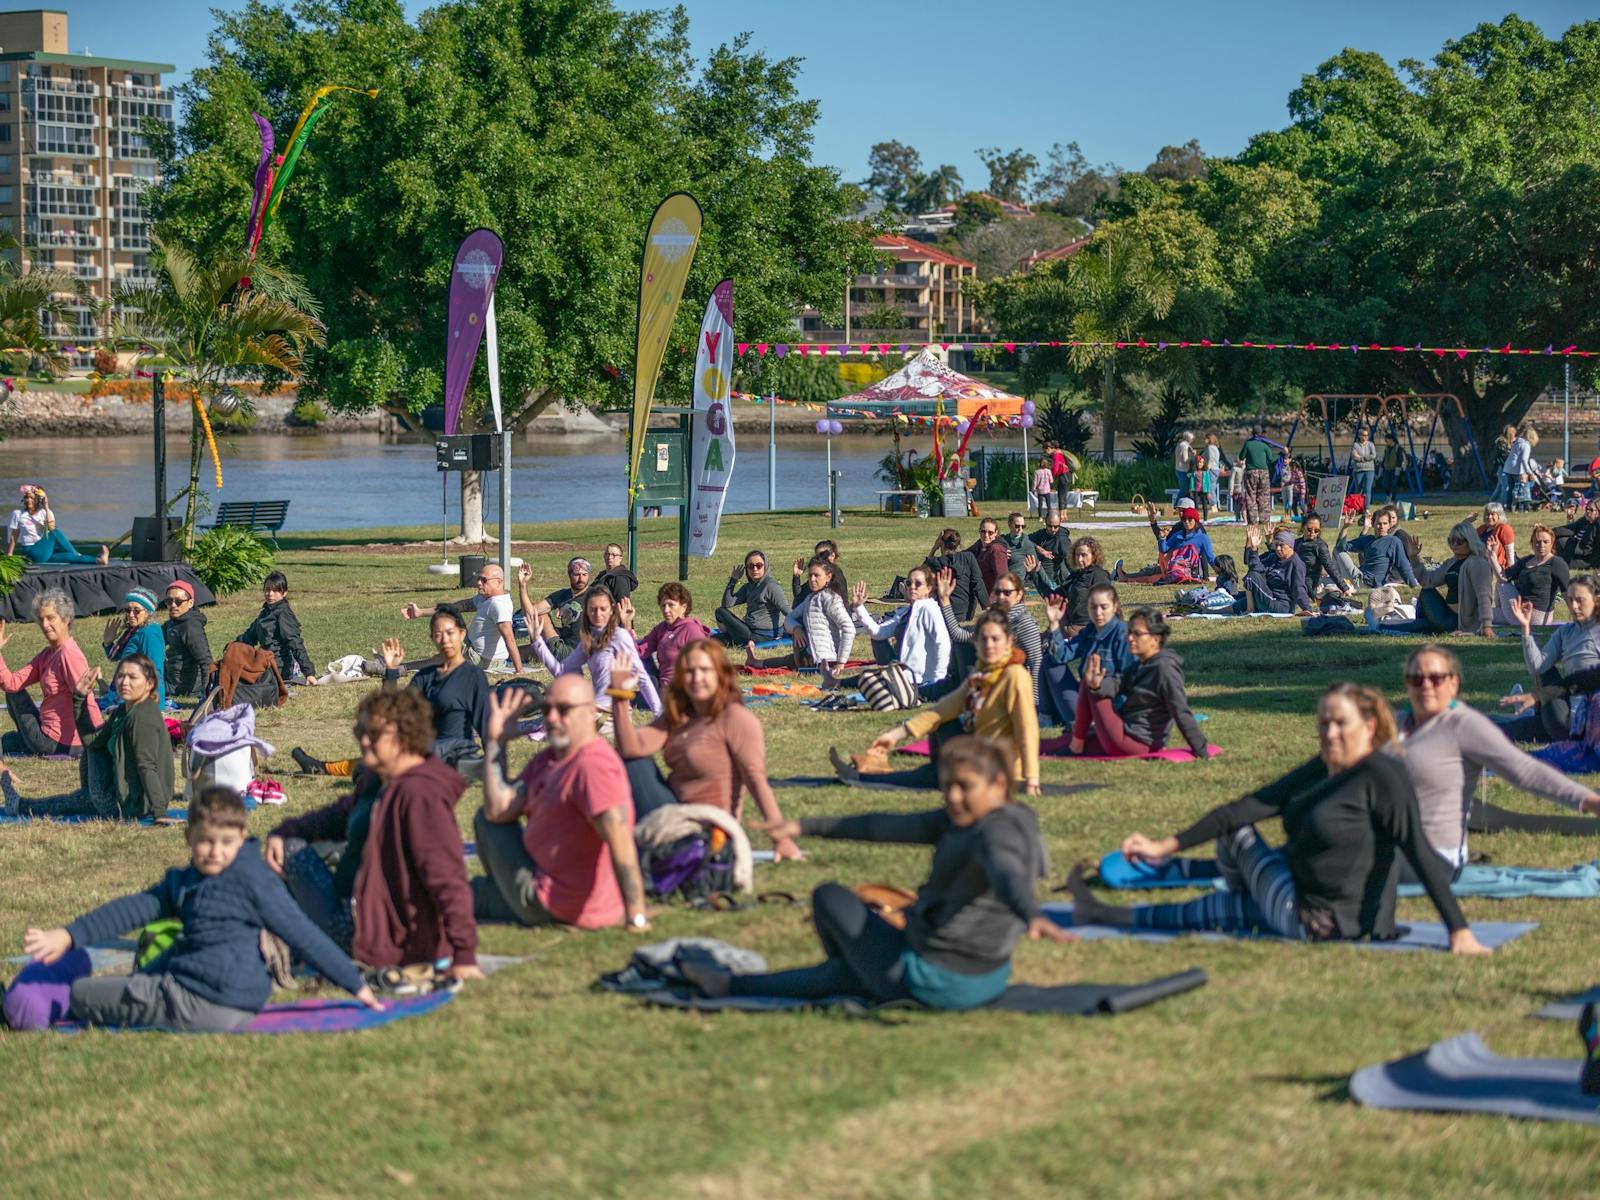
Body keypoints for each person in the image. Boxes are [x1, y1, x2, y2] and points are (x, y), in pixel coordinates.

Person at [1063, 683, 1490, 954]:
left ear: (1369, 725)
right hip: (1298, 899)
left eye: (1340, 724)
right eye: (1323, 724)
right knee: (1214, 906)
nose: (1330, 734)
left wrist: (1459, 931)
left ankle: (1234, 897)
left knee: (1238, 841)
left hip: (1320, 920)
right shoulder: (1325, 765)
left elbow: (1417, 848)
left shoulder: (1383, 775)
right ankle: (1108, 916)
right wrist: (1164, 846)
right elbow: (1250, 804)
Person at [679, 737, 1072, 1009]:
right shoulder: (990, 818)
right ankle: (855, 974)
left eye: (964, 787)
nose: (952, 797)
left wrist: (1032, 913)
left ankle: (743, 983)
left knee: (830, 897)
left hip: (937, 980)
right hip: (987, 979)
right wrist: (806, 826)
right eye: (948, 786)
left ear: (999, 784)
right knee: (850, 955)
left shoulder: (995, 832)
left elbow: (1007, 872)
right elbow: (881, 826)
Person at [21, 787, 379, 1033]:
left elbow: (303, 936)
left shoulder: (254, 881)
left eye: (226, 843)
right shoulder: (189, 880)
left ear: (241, 838)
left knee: (83, 994)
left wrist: (355, 984)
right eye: (206, 841)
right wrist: (70, 934)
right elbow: (133, 910)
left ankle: (25, 1006)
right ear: (188, 837)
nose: (215, 852)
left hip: (201, 1004)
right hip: (236, 996)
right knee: (160, 962)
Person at [266, 688, 481, 980]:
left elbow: (448, 879)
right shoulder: (378, 781)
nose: (364, 740)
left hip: (372, 935)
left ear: (406, 735)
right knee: (284, 847)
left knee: (287, 856)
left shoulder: (420, 795)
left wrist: (464, 955)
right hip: (359, 914)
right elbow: (333, 817)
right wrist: (283, 831)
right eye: (361, 731)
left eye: (375, 733)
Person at [1395, 645, 1599, 871]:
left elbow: (1525, 771)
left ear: (1453, 683)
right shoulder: (1394, 724)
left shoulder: (1465, 725)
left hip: (1425, 855)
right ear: (1406, 683)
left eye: (1436, 678)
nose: (1426, 686)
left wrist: (1588, 800)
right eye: (1416, 679)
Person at [471, 675, 650, 932]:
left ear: (591, 713)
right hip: (545, 881)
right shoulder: (549, 759)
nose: (552, 718)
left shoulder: (593, 766)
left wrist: (636, 914)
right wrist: (496, 742)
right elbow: (498, 811)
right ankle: (499, 890)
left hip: (555, 902)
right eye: (547, 709)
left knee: (459, 896)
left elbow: (619, 836)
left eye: (564, 710)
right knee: (486, 820)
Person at [610, 640, 804, 861]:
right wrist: (619, 696)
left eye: (704, 670)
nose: (696, 678)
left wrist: (782, 839)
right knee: (628, 761)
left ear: (720, 674)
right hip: (674, 815)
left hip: (709, 830)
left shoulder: (736, 718)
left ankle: (643, 847)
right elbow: (629, 749)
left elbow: (755, 780)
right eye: (689, 671)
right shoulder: (679, 716)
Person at [840, 609, 1039, 795]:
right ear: (976, 643)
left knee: (923, 773)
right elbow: (942, 709)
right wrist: (894, 736)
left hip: (1001, 769)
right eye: (984, 639)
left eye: (995, 639)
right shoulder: (982, 674)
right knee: (943, 722)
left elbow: (1026, 727)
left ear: (1009, 642)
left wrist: (1031, 778)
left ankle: (910, 776)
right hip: (980, 757)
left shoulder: (1014, 675)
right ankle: (934, 773)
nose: (989, 645)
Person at [291, 608, 490, 776]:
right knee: (388, 757)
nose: (444, 640)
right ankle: (324, 768)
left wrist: (493, 764)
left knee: (398, 760)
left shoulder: (473, 676)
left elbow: (485, 724)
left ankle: (327, 768)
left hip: (457, 755)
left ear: (462, 634)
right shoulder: (425, 677)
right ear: (432, 638)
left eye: (450, 633)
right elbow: (391, 711)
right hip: (423, 752)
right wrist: (391, 670)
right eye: (438, 634)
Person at [0, 655, 173, 822]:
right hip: (121, 794)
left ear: (149, 684)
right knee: (77, 790)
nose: (124, 682)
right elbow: (91, 740)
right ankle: (26, 804)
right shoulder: (124, 711)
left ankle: (21, 805)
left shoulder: (143, 718)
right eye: (120, 676)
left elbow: (147, 765)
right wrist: (79, 698)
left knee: (73, 798)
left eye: (132, 677)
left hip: (126, 806)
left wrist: (159, 813)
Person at [1053, 607, 1208, 759]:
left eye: (1137, 634)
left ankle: (1076, 746)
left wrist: (1201, 750)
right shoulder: (1141, 662)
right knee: (1078, 737)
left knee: (1088, 685)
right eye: (1130, 632)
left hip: (1135, 740)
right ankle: (1078, 741)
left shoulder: (1164, 669)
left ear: (1156, 639)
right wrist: (1099, 684)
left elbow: (1180, 710)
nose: (1130, 638)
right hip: (1129, 734)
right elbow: (1116, 684)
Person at [0, 589, 100, 757]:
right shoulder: (48, 654)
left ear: (66, 619)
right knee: (6, 739)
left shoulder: (69, 654)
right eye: (41, 619)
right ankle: (24, 740)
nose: (45, 624)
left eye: (50, 618)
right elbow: (11, 683)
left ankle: (26, 741)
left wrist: (98, 737)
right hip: (45, 730)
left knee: (13, 701)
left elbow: (86, 698)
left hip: (58, 743)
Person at [1497, 578, 1600, 743]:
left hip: (1582, 725)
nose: (1573, 606)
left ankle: (1530, 712)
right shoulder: (1566, 632)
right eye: (1570, 600)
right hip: (1563, 717)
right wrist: (1525, 629)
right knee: (1497, 727)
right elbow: (1537, 667)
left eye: (1580, 600)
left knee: (1519, 727)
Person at [531, 586, 661, 715]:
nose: (598, 614)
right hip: (595, 709)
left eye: (603, 609)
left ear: (612, 610)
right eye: (593, 610)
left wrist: (659, 714)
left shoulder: (619, 636)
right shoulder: (590, 639)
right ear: (586, 612)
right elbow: (561, 671)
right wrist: (538, 642)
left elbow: (642, 677)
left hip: (613, 713)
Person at [936, 568, 1041, 706]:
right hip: (990, 677)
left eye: (1007, 593)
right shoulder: (998, 618)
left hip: (1009, 684)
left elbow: (1036, 662)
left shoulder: (1023, 623)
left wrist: (1034, 701)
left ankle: (957, 690)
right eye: (998, 592)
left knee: (965, 646)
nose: (1001, 597)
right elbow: (958, 635)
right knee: (965, 640)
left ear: (1019, 594)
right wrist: (944, 600)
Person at [1385, 520, 1497, 637]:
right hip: (1446, 614)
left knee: (1420, 622)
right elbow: (1428, 581)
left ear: (1470, 541)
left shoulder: (1478, 563)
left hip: (1458, 621)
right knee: (1426, 594)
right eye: (1451, 541)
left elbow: (1484, 595)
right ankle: (1380, 627)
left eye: (1459, 541)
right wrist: (1414, 559)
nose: (1454, 545)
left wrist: (1486, 625)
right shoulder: (1452, 562)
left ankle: (1382, 627)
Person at [850, 570, 951, 698]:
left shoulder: (929, 609)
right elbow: (878, 633)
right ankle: (836, 681)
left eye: (918, 584)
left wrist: (938, 680)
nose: (912, 587)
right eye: (909, 583)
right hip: (903, 669)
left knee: (870, 681)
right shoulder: (909, 610)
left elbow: (943, 644)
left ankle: (837, 682)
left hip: (921, 679)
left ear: (929, 588)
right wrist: (859, 607)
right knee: (870, 679)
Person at [1042, 583, 1130, 726]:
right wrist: (1054, 624)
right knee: (1049, 661)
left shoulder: (1123, 635)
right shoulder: (1090, 631)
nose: (1098, 612)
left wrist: (1100, 687)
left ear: (1114, 607)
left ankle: (1069, 720)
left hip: (1108, 706)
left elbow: (1130, 681)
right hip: (1086, 699)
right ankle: (1046, 719)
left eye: (1104, 607)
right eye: (1093, 607)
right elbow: (1060, 656)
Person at [785, 558, 856, 689]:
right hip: (812, 659)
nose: (812, 579)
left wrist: (841, 662)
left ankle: (758, 662)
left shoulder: (830, 598)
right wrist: (796, 628)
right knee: (785, 660)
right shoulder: (810, 598)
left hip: (828, 660)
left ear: (828, 577)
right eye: (810, 575)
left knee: (786, 661)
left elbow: (849, 628)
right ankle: (756, 662)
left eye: (816, 575)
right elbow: (789, 618)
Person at [237, 571, 319, 684]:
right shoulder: (266, 612)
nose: (270, 594)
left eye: (275, 591)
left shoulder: (283, 614)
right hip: (264, 661)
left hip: (278, 667)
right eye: (267, 590)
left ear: (284, 593)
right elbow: (250, 635)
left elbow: (294, 642)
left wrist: (309, 673)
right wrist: (234, 647)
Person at [1027, 536, 1112, 637]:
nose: (1080, 559)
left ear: (1094, 556)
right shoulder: (1075, 576)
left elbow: (1106, 607)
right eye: (1077, 555)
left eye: (1084, 555)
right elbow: (1053, 598)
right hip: (1065, 628)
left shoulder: (1099, 575)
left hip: (1085, 632)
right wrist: (1035, 573)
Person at [716, 549, 790, 664]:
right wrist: (733, 580)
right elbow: (727, 603)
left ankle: (733, 636)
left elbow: (786, 609)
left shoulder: (771, 586)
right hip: (749, 630)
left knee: (720, 612)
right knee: (714, 639)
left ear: (765, 566)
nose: (754, 569)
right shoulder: (749, 586)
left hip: (764, 635)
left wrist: (800, 627)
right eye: (750, 566)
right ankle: (732, 635)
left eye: (758, 565)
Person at [5, 483, 107, 566]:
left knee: (67, 556)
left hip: (43, 552)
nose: (28, 500)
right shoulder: (17, 514)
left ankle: (99, 561)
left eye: (31, 498)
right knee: (54, 533)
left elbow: (51, 526)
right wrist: (9, 555)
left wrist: (46, 505)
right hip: (30, 551)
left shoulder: (45, 512)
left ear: (37, 499)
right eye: (27, 497)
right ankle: (77, 553)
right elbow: (14, 536)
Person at [512, 557, 593, 659]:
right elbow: (529, 613)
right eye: (577, 574)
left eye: (584, 574)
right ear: (569, 575)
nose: (581, 578)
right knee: (510, 653)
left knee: (541, 616)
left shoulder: (595, 595)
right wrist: (522, 585)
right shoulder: (563, 594)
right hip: (562, 644)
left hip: (574, 653)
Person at [636, 582, 711, 687]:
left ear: (684, 607)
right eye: (663, 605)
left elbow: (706, 664)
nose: (666, 610)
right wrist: (626, 624)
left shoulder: (691, 629)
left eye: (671, 605)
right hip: (661, 687)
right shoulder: (661, 628)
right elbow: (638, 652)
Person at [1116, 504, 1215, 584]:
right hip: (1172, 567)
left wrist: (1222, 572)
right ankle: (1125, 578)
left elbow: (1210, 558)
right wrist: (1162, 537)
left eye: (1190, 519)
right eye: (1184, 519)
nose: (1187, 522)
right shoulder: (1178, 534)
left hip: (1187, 571)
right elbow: (1163, 549)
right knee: (1151, 572)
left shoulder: (1202, 537)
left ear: (1196, 520)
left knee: (1152, 575)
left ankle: (1124, 577)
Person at [101, 588, 166, 709]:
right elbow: (115, 656)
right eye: (128, 610)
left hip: (139, 698)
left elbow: (156, 670)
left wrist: (154, 705)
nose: (131, 615)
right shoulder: (134, 630)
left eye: (136, 611)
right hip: (125, 693)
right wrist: (107, 642)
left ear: (148, 612)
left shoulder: (149, 633)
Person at [1334, 504, 1419, 588]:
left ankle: (1341, 582)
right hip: (1359, 577)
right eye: (1379, 523)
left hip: (1369, 583)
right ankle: (1341, 582)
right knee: (1337, 550)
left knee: (1337, 551)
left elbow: (1403, 565)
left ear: (1389, 525)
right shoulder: (1367, 539)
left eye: (1385, 523)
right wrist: (1346, 526)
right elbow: (1340, 546)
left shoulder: (1393, 541)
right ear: (1373, 524)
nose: (1381, 527)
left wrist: (1413, 585)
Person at [1503, 524, 1569, 625]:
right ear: (1532, 544)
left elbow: (1567, 592)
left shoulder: (1556, 563)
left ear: (1552, 544)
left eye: (1545, 542)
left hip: (1538, 617)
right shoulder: (1528, 560)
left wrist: (1579, 621)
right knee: (1487, 615)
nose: (1541, 545)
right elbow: (1504, 576)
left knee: (1501, 585)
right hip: (1521, 610)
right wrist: (1492, 556)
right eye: (1538, 542)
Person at [161, 580, 212, 701]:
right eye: (169, 601)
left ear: (190, 603)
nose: (173, 605)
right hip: (170, 679)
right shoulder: (173, 623)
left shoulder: (190, 627)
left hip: (182, 688)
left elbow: (207, 662)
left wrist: (206, 693)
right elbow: (152, 641)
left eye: (178, 602)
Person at [1242, 529, 1313, 615]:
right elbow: (1255, 567)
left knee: (1251, 576)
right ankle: (1246, 608)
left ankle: (1250, 610)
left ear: (1290, 546)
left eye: (1281, 545)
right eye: (1276, 545)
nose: (1278, 549)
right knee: (1238, 605)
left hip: (1281, 605)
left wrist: (1307, 609)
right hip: (1269, 597)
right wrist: (1253, 548)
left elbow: (1298, 588)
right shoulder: (1274, 557)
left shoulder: (1296, 564)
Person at [923, 528, 988, 621]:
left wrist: (934, 548)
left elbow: (919, 574)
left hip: (943, 611)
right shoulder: (968, 557)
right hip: (966, 612)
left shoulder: (934, 562)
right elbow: (977, 582)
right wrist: (987, 606)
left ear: (941, 543)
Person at [1296, 515, 1353, 597]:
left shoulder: (1320, 546)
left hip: (1308, 584)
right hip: (1294, 578)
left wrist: (1344, 587)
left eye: (1316, 531)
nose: (1312, 533)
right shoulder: (1296, 543)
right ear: (1303, 527)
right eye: (1309, 530)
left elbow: (1330, 567)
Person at [1238, 424, 1276, 527]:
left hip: (1251, 472)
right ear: (1261, 434)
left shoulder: (1248, 444)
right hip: (1263, 472)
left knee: (1251, 496)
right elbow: (1270, 459)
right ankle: (1264, 519)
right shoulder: (1264, 445)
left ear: (1252, 433)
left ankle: (1253, 520)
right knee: (1263, 496)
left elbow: (1241, 456)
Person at [1026, 509, 1073, 590]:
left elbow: (1070, 558)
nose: (1053, 529)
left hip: (1049, 577)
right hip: (1035, 570)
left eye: (1056, 526)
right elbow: (1025, 539)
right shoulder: (1041, 533)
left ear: (1060, 523)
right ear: (1045, 522)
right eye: (1049, 526)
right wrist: (1039, 548)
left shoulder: (1062, 539)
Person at [790, 540, 848, 604]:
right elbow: (799, 597)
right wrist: (796, 577)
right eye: (817, 557)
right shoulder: (818, 574)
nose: (820, 559)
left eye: (823, 556)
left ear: (833, 556)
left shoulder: (836, 576)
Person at [965, 518, 1011, 596]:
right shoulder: (979, 544)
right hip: (983, 594)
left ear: (996, 533)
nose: (986, 535)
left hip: (995, 597)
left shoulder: (996, 550)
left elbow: (1002, 577)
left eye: (990, 532)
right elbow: (964, 555)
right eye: (983, 531)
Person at [1555, 499, 1600, 568]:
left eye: (1591, 510)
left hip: (1587, 559)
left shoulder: (1598, 524)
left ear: (1598, 512)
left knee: (1557, 562)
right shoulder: (1586, 520)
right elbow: (1570, 528)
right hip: (1575, 549)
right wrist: (1548, 532)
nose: (1588, 511)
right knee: (1558, 538)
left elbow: (1587, 549)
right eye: (1586, 509)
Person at [1348, 427, 1377, 508]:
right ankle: (1358, 507)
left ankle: (1366, 508)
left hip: (1369, 470)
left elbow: (1373, 455)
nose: (1365, 437)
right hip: (1358, 470)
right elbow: (1354, 456)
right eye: (1364, 435)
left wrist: (1361, 458)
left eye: (1367, 435)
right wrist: (1365, 458)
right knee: (1358, 489)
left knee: (1368, 489)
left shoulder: (1371, 444)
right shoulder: (1355, 445)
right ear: (1360, 435)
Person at [1379, 431, 1406, 502]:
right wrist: (1381, 467)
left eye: (1386, 440)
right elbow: (1384, 458)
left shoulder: (1398, 448)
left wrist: (1399, 469)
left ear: (1391, 440)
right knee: (1384, 484)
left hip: (1395, 469)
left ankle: (1392, 499)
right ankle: (1388, 495)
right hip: (1386, 469)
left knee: (1393, 485)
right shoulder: (1386, 448)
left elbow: (1400, 459)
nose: (1385, 442)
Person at [1173, 430, 1195, 499]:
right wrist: (1193, 456)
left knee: (1186, 490)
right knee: (1184, 490)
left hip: (1179, 469)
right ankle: (1177, 505)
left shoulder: (1180, 444)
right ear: (1189, 438)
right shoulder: (1184, 446)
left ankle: (1183, 505)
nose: (1192, 440)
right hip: (1182, 470)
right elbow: (1185, 460)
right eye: (1192, 439)